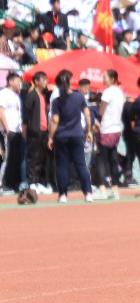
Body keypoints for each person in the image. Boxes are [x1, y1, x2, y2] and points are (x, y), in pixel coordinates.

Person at [47, 69, 93, 203]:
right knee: (81, 164)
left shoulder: (57, 101)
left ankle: (63, 195)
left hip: (61, 135)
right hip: (77, 134)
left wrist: (50, 137)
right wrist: (88, 131)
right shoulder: (79, 97)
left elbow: (55, 120)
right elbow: (87, 115)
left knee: (61, 165)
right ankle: (88, 193)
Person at [95, 69, 126, 199]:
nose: (103, 79)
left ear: (112, 79)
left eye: (105, 77)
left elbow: (101, 111)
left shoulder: (107, 92)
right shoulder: (120, 92)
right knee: (113, 159)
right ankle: (115, 189)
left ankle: (102, 188)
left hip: (106, 128)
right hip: (116, 128)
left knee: (101, 159)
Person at [23, 71, 51, 194]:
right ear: (36, 81)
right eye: (43, 79)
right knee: (33, 157)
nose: (46, 82)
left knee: (42, 157)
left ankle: (40, 182)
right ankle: (32, 182)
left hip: (44, 131)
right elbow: (25, 115)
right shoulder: (31, 95)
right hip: (34, 131)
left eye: (46, 79)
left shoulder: (43, 96)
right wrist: (26, 131)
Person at [0, 72, 25, 194]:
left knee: (15, 158)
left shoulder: (16, 96)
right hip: (9, 130)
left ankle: (11, 183)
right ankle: (2, 184)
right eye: (18, 81)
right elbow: (1, 111)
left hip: (17, 130)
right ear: (10, 81)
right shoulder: (4, 93)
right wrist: (7, 128)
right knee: (8, 158)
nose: (20, 83)